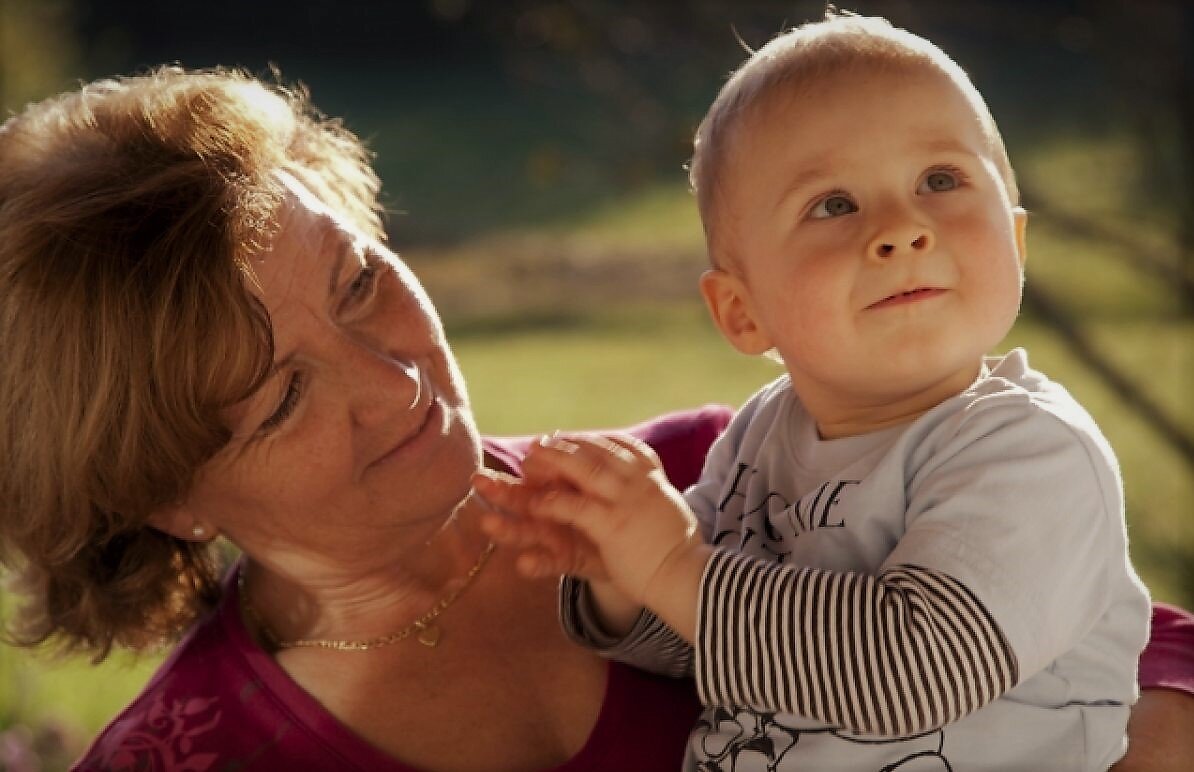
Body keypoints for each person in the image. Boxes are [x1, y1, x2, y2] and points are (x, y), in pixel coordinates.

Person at [0, 64, 1189, 772]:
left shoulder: (726, 480)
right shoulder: (183, 759)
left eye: (360, 281)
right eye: (284, 395)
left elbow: (1127, 638)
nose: (393, 378)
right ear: (162, 489)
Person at [474, 12, 1163, 771]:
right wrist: (622, 577)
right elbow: (708, 632)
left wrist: (673, 567)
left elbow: (914, 669)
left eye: (940, 180)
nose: (902, 230)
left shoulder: (1030, 454)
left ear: (1017, 241)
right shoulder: (762, 439)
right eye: (834, 204)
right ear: (743, 312)